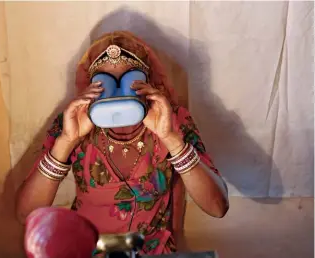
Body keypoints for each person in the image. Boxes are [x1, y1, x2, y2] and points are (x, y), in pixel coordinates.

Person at [16, 31, 229, 256]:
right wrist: (67, 141)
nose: (118, 95)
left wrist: (171, 139)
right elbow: (25, 213)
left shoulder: (172, 119)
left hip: (150, 251)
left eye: (129, 81)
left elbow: (217, 207)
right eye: (105, 84)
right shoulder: (73, 121)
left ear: (147, 83)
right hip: (90, 248)